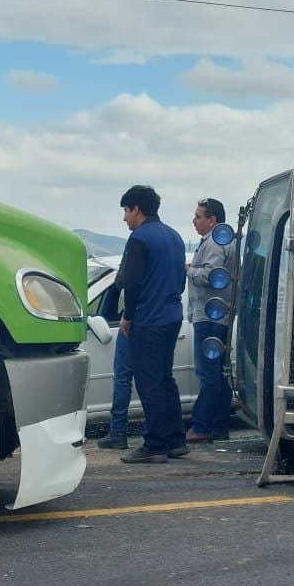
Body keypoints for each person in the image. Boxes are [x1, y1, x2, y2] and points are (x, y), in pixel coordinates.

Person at [115, 185, 188, 463]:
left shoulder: (139, 239)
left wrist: (128, 316)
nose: (124, 218)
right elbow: (180, 281)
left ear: (136, 209)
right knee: (165, 379)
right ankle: (175, 440)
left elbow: (131, 283)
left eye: (125, 211)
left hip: (148, 319)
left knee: (148, 382)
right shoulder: (175, 237)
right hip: (171, 316)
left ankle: (155, 444)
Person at [185, 198, 236, 442]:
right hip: (217, 315)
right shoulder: (221, 240)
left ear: (212, 220)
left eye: (198, 216)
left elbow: (210, 275)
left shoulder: (216, 242)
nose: (194, 221)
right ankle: (219, 425)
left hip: (210, 315)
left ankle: (202, 426)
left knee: (208, 374)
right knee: (219, 372)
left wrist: (189, 271)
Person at [95, 327, 132, 449]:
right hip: (156, 322)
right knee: (154, 377)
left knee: (123, 377)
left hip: (133, 324)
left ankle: (118, 431)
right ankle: (163, 433)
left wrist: (127, 318)